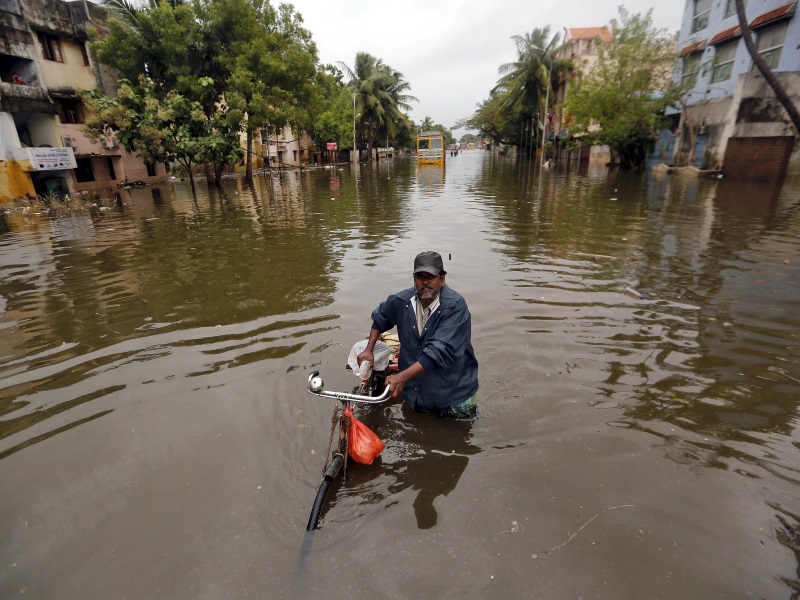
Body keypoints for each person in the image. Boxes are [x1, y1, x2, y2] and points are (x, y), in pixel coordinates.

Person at [357, 251, 479, 418]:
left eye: (431, 277)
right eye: (420, 277)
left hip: (453, 393)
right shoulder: (402, 301)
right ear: (414, 280)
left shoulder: (455, 307)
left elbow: (438, 351)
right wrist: (368, 350)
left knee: (460, 438)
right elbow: (381, 318)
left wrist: (401, 377)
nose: (425, 282)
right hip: (417, 392)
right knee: (417, 430)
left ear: (442, 279)